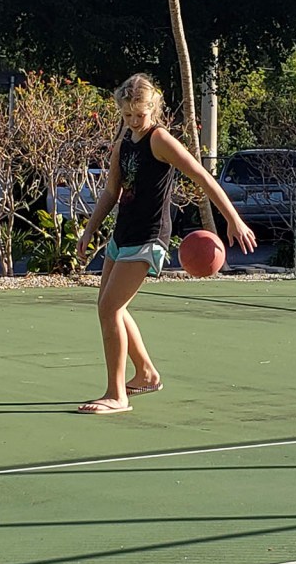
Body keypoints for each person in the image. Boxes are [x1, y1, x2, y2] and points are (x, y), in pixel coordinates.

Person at [75, 73, 257, 414]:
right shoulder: (124, 141)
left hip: (148, 237)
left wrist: (233, 218)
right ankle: (146, 373)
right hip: (122, 235)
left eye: (138, 115)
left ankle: (117, 395)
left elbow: (202, 177)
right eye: (126, 115)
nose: (132, 121)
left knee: (110, 309)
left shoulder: (160, 140)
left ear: (153, 108)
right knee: (109, 306)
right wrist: (90, 230)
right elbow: (112, 192)